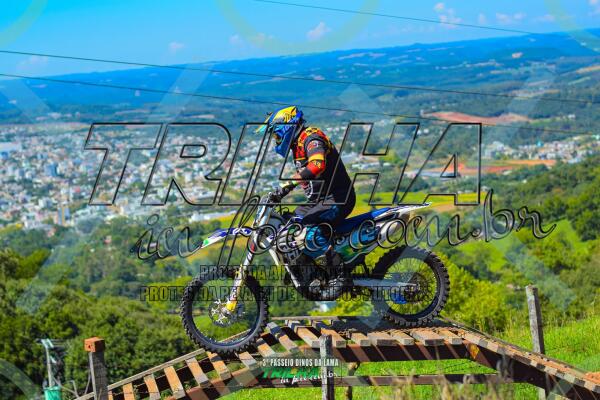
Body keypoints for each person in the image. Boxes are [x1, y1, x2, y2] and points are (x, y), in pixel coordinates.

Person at [256, 105, 356, 266]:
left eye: (276, 135)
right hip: (318, 201)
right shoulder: (297, 144)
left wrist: (287, 186)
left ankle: (338, 269)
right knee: (288, 225)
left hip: (338, 198)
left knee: (308, 231)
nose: (276, 139)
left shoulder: (312, 138)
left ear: (286, 127)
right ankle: (305, 269)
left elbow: (317, 164)